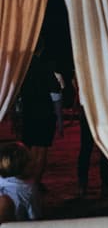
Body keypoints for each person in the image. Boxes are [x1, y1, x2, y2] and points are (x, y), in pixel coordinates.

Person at [19, 37, 63, 190]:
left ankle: (27, 181)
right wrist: (60, 120)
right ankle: (35, 183)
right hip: (44, 113)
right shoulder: (45, 66)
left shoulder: (22, 67)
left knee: (29, 148)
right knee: (42, 149)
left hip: (28, 112)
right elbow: (55, 93)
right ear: (41, 48)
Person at [75, 76, 108, 198]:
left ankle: (83, 185)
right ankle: (105, 185)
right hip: (102, 109)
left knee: (87, 148)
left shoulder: (85, 71)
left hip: (88, 108)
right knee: (104, 149)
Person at [0, 142, 40, 221]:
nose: (34, 162)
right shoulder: (29, 190)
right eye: (30, 160)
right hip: (15, 225)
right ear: (23, 167)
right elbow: (35, 218)